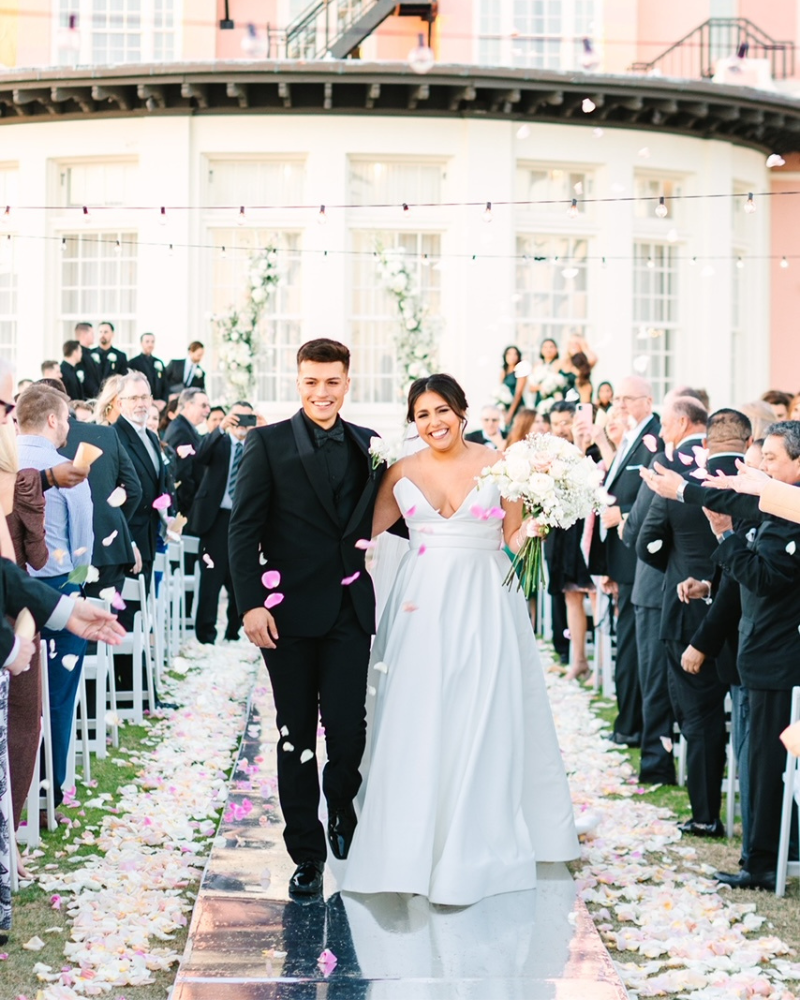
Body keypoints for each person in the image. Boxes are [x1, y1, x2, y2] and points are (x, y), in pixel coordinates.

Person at [342, 373, 579, 904]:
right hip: (420, 604)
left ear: (462, 412)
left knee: (481, 710)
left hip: (485, 599)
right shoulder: (399, 472)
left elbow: (513, 536)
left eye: (442, 411)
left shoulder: (501, 464)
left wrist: (537, 524)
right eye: (422, 415)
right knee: (419, 711)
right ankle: (412, 840)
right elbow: (357, 534)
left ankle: (475, 838)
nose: (434, 423)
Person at [229, 338, 389, 899]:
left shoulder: (371, 445)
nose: (322, 392)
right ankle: (306, 854)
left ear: (348, 383)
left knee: (348, 730)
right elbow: (243, 529)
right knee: (295, 734)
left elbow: (400, 515)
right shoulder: (267, 443)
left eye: (332, 382)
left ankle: (341, 803)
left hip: (348, 610)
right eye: (312, 382)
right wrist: (250, 603)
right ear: (298, 382)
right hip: (286, 616)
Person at [637, 404, 744, 838]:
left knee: (698, 720)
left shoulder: (678, 480)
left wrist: (679, 568)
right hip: (740, 613)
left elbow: (646, 543)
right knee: (748, 715)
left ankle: (705, 814)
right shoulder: (755, 479)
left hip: (686, 610)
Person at [15, 384, 95, 809]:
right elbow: (84, 544)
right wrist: (77, 588)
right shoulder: (66, 470)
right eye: (64, 418)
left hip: (9, 593)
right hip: (57, 590)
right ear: (50, 419)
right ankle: (50, 789)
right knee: (58, 695)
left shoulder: (8, 465)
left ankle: (14, 801)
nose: (67, 425)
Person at [598, 376, 661, 747]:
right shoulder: (629, 437)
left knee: (635, 645)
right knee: (628, 642)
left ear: (647, 401)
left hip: (637, 553)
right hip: (622, 556)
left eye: (627, 398)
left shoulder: (652, 437)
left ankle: (632, 725)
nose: (619, 404)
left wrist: (621, 513)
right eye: (617, 398)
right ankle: (628, 721)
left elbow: (650, 491)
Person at [189, 402, 257, 644]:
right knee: (210, 578)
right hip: (214, 518)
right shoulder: (219, 441)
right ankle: (205, 635)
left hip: (242, 520)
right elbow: (200, 456)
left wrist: (264, 428)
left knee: (238, 576)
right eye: (238, 417)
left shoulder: (255, 444)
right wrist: (219, 429)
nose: (241, 423)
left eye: (247, 418)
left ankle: (233, 631)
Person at [545, 401, 596, 681]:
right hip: (562, 536)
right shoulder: (548, 454)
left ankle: (601, 664)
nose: (561, 429)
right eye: (556, 424)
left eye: (566, 422)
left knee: (595, 596)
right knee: (571, 596)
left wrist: (582, 444)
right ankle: (578, 661)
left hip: (588, 532)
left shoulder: (596, 449)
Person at [163, 387, 209, 517]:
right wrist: (191, 505)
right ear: (189, 405)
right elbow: (181, 473)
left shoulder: (186, 427)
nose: (208, 410)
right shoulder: (180, 430)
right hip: (186, 508)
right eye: (203, 406)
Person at [128, 333, 169, 408]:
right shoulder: (133, 363)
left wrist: (164, 401)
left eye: (152, 342)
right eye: (147, 341)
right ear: (141, 343)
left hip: (160, 404)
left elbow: (165, 384)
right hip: (142, 402)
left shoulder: (159, 362)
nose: (150, 344)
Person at [74, 322, 101, 399]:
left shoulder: (91, 352)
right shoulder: (78, 354)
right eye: (91, 333)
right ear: (83, 335)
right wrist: (97, 394)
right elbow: (84, 378)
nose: (94, 336)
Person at [499, 346, 526, 422]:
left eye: (515, 354)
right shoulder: (503, 371)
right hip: (505, 406)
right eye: (509, 354)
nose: (512, 357)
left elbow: (518, 394)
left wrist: (510, 414)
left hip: (517, 407)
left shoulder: (520, 370)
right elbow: (500, 390)